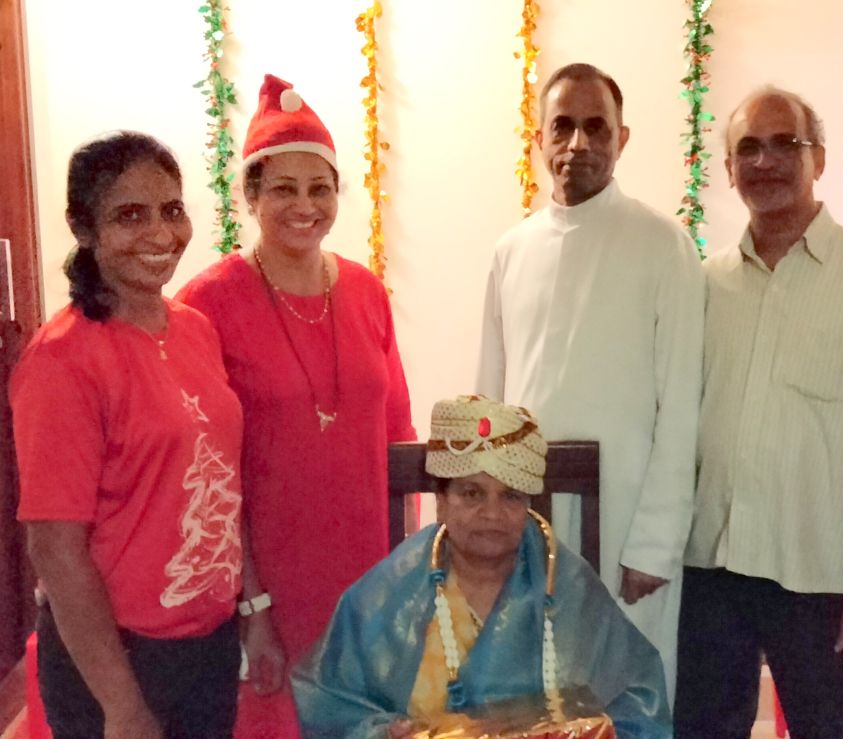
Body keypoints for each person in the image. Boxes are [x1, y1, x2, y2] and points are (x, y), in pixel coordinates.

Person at [177, 74, 417, 737]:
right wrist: (251, 605)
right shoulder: (206, 303)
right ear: (251, 195)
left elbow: (399, 439)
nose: (305, 206)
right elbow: (206, 476)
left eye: (320, 188)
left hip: (368, 580)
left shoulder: (366, 291)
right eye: (283, 188)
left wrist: (407, 579)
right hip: (268, 586)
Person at [674, 88, 843, 738]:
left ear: (820, 159)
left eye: (786, 143)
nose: (765, 161)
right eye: (748, 148)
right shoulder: (705, 282)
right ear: (729, 168)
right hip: (710, 566)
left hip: (822, 575)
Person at [476, 63, 704, 695]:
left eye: (596, 127)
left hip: (626, 521)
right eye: (563, 126)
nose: (578, 143)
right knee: (531, 696)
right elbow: (491, 396)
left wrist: (653, 545)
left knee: (620, 697)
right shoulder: (512, 250)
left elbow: (681, 406)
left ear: (621, 139)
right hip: (528, 517)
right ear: (540, 139)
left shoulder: (664, 245)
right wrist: (487, 526)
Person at [12, 131, 245, 737]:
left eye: (172, 210)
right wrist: (121, 705)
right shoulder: (62, 360)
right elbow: (55, 549)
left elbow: (221, 480)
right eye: (130, 215)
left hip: (209, 645)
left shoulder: (194, 329)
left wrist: (252, 610)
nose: (161, 234)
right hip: (117, 660)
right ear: (83, 229)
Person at [292, 395, 671, 738]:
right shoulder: (388, 593)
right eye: (472, 493)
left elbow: (638, 695)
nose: (492, 513)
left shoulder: (568, 586)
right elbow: (328, 703)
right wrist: (383, 734)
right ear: (441, 501)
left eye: (510, 496)